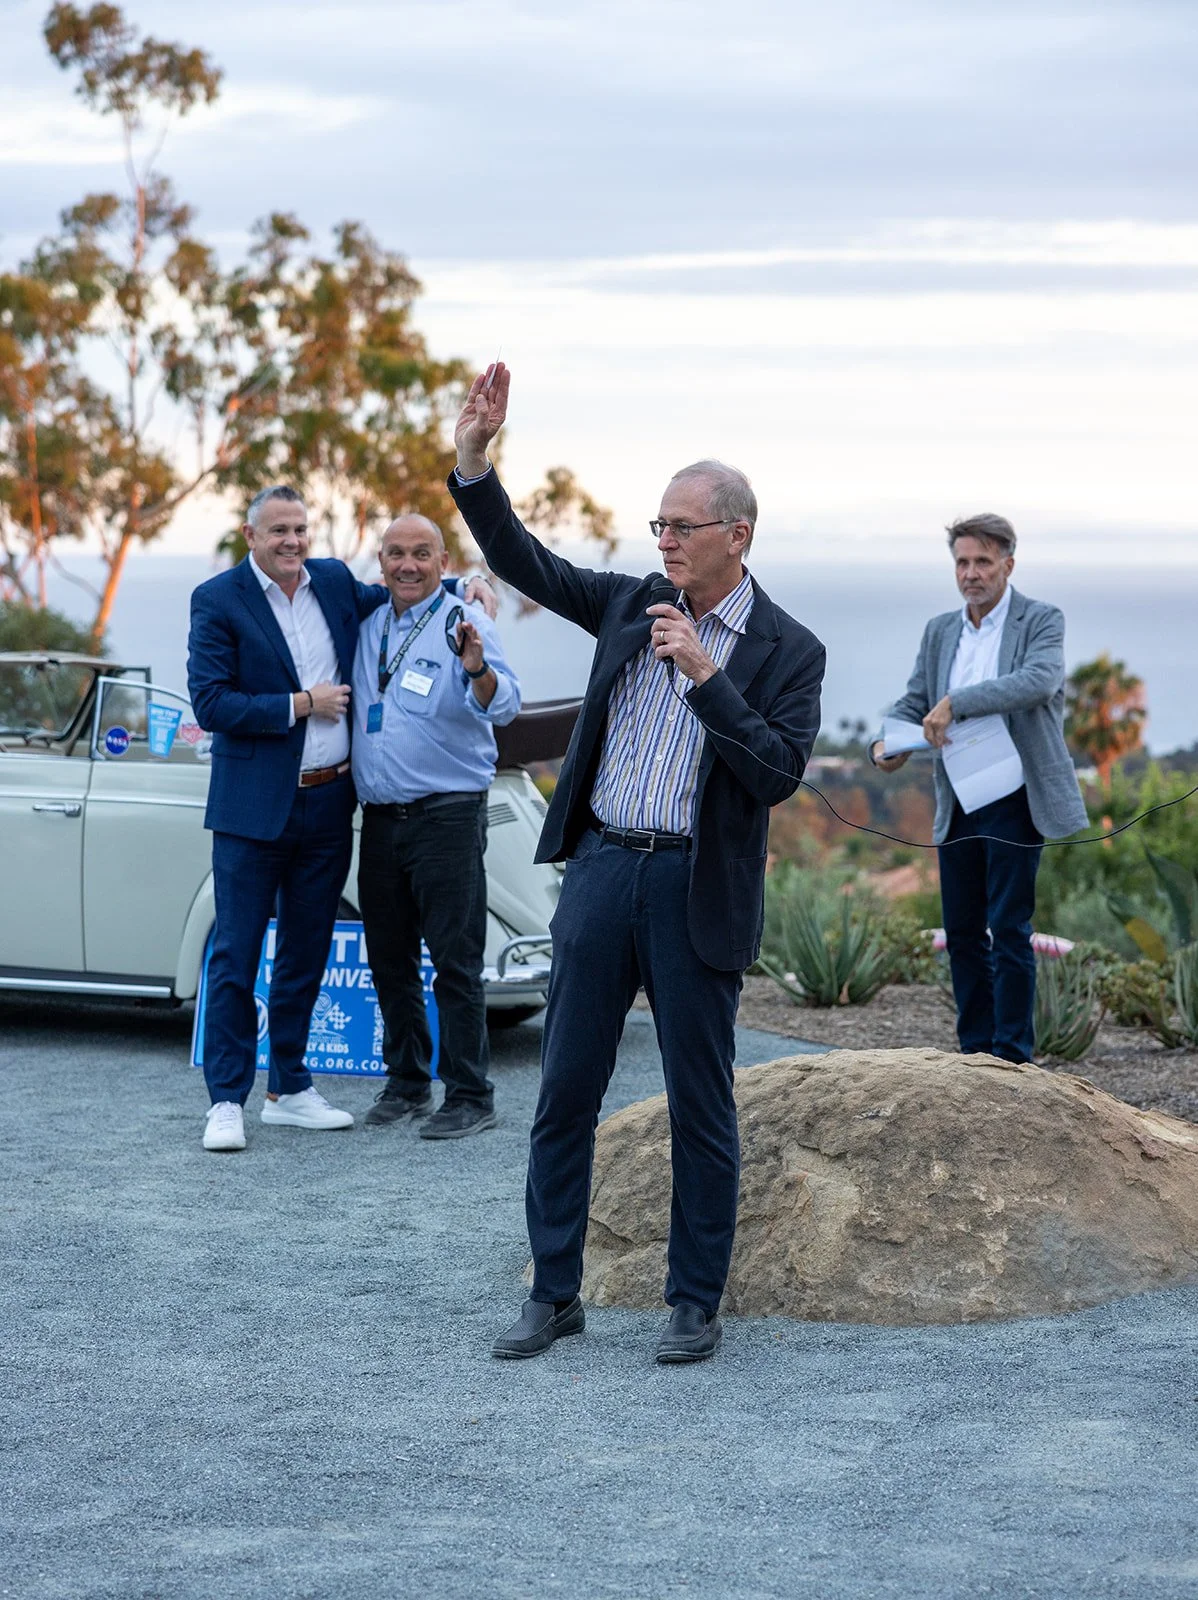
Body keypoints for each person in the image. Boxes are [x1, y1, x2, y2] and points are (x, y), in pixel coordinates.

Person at [449, 364, 825, 1364]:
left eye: (681, 527)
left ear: (736, 534)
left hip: (697, 886)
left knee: (702, 1103)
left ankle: (693, 1302)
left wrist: (705, 677)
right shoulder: (626, 603)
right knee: (565, 1087)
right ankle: (552, 1292)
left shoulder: (790, 649)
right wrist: (475, 459)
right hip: (606, 873)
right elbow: (523, 560)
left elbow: (777, 775)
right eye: (657, 526)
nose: (661, 542)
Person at [187, 484, 495, 1154]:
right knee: (236, 955)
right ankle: (226, 1099)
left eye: (300, 530)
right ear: (250, 535)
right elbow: (212, 703)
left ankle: (289, 1087)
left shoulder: (330, 582)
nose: (292, 542)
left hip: (330, 804)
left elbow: (409, 590)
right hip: (251, 809)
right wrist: (302, 703)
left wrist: (471, 581)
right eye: (278, 532)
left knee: (306, 950)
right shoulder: (217, 601)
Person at [870, 513, 1087, 1065]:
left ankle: (1013, 1057)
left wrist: (959, 701)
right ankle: (975, 1054)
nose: (971, 573)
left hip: (1016, 796)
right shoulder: (941, 630)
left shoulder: (1041, 619)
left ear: (1007, 565)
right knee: (963, 931)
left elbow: (1038, 681)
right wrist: (888, 742)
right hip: (959, 798)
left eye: (983, 562)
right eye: (963, 562)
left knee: (1008, 929)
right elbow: (916, 698)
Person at [351, 514, 520, 1140]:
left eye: (421, 553)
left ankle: (471, 1094)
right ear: (382, 561)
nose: (408, 565)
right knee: (389, 960)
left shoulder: (464, 620)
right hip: (381, 821)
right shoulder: (368, 627)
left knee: (455, 960)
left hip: (446, 816)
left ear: (442, 560)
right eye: (396, 554)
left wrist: (477, 666)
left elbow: (505, 705)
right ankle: (407, 1082)